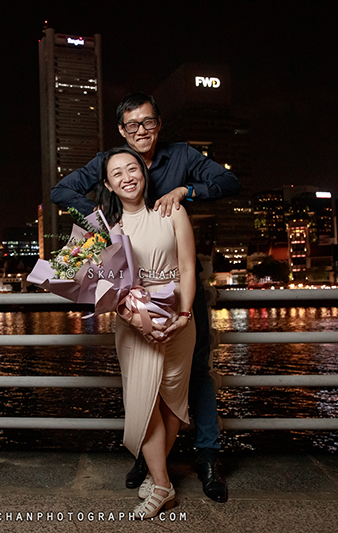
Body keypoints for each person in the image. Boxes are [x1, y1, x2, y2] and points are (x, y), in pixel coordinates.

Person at [51, 92, 238, 503]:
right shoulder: (110, 162)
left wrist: (185, 192)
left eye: (148, 123)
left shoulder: (183, 156)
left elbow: (229, 181)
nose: (142, 131)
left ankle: (206, 457)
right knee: (141, 386)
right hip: (132, 297)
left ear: (159, 123)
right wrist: (106, 216)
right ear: (121, 130)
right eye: (132, 125)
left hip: (181, 286)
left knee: (196, 373)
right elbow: (61, 191)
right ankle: (150, 464)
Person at [97, 146, 196, 518]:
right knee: (144, 401)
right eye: (116, 173)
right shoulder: (107, 229)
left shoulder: (172, 211)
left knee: (172, 399)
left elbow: (187, 267)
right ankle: (164, 486)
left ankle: (157, 478)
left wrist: (184, 314)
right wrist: (136, 319)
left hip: (178, 316)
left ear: (143, 172)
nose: (126, 176)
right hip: (133, 322)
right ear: (108, 184)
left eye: (131, 168)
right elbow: (106, 287)